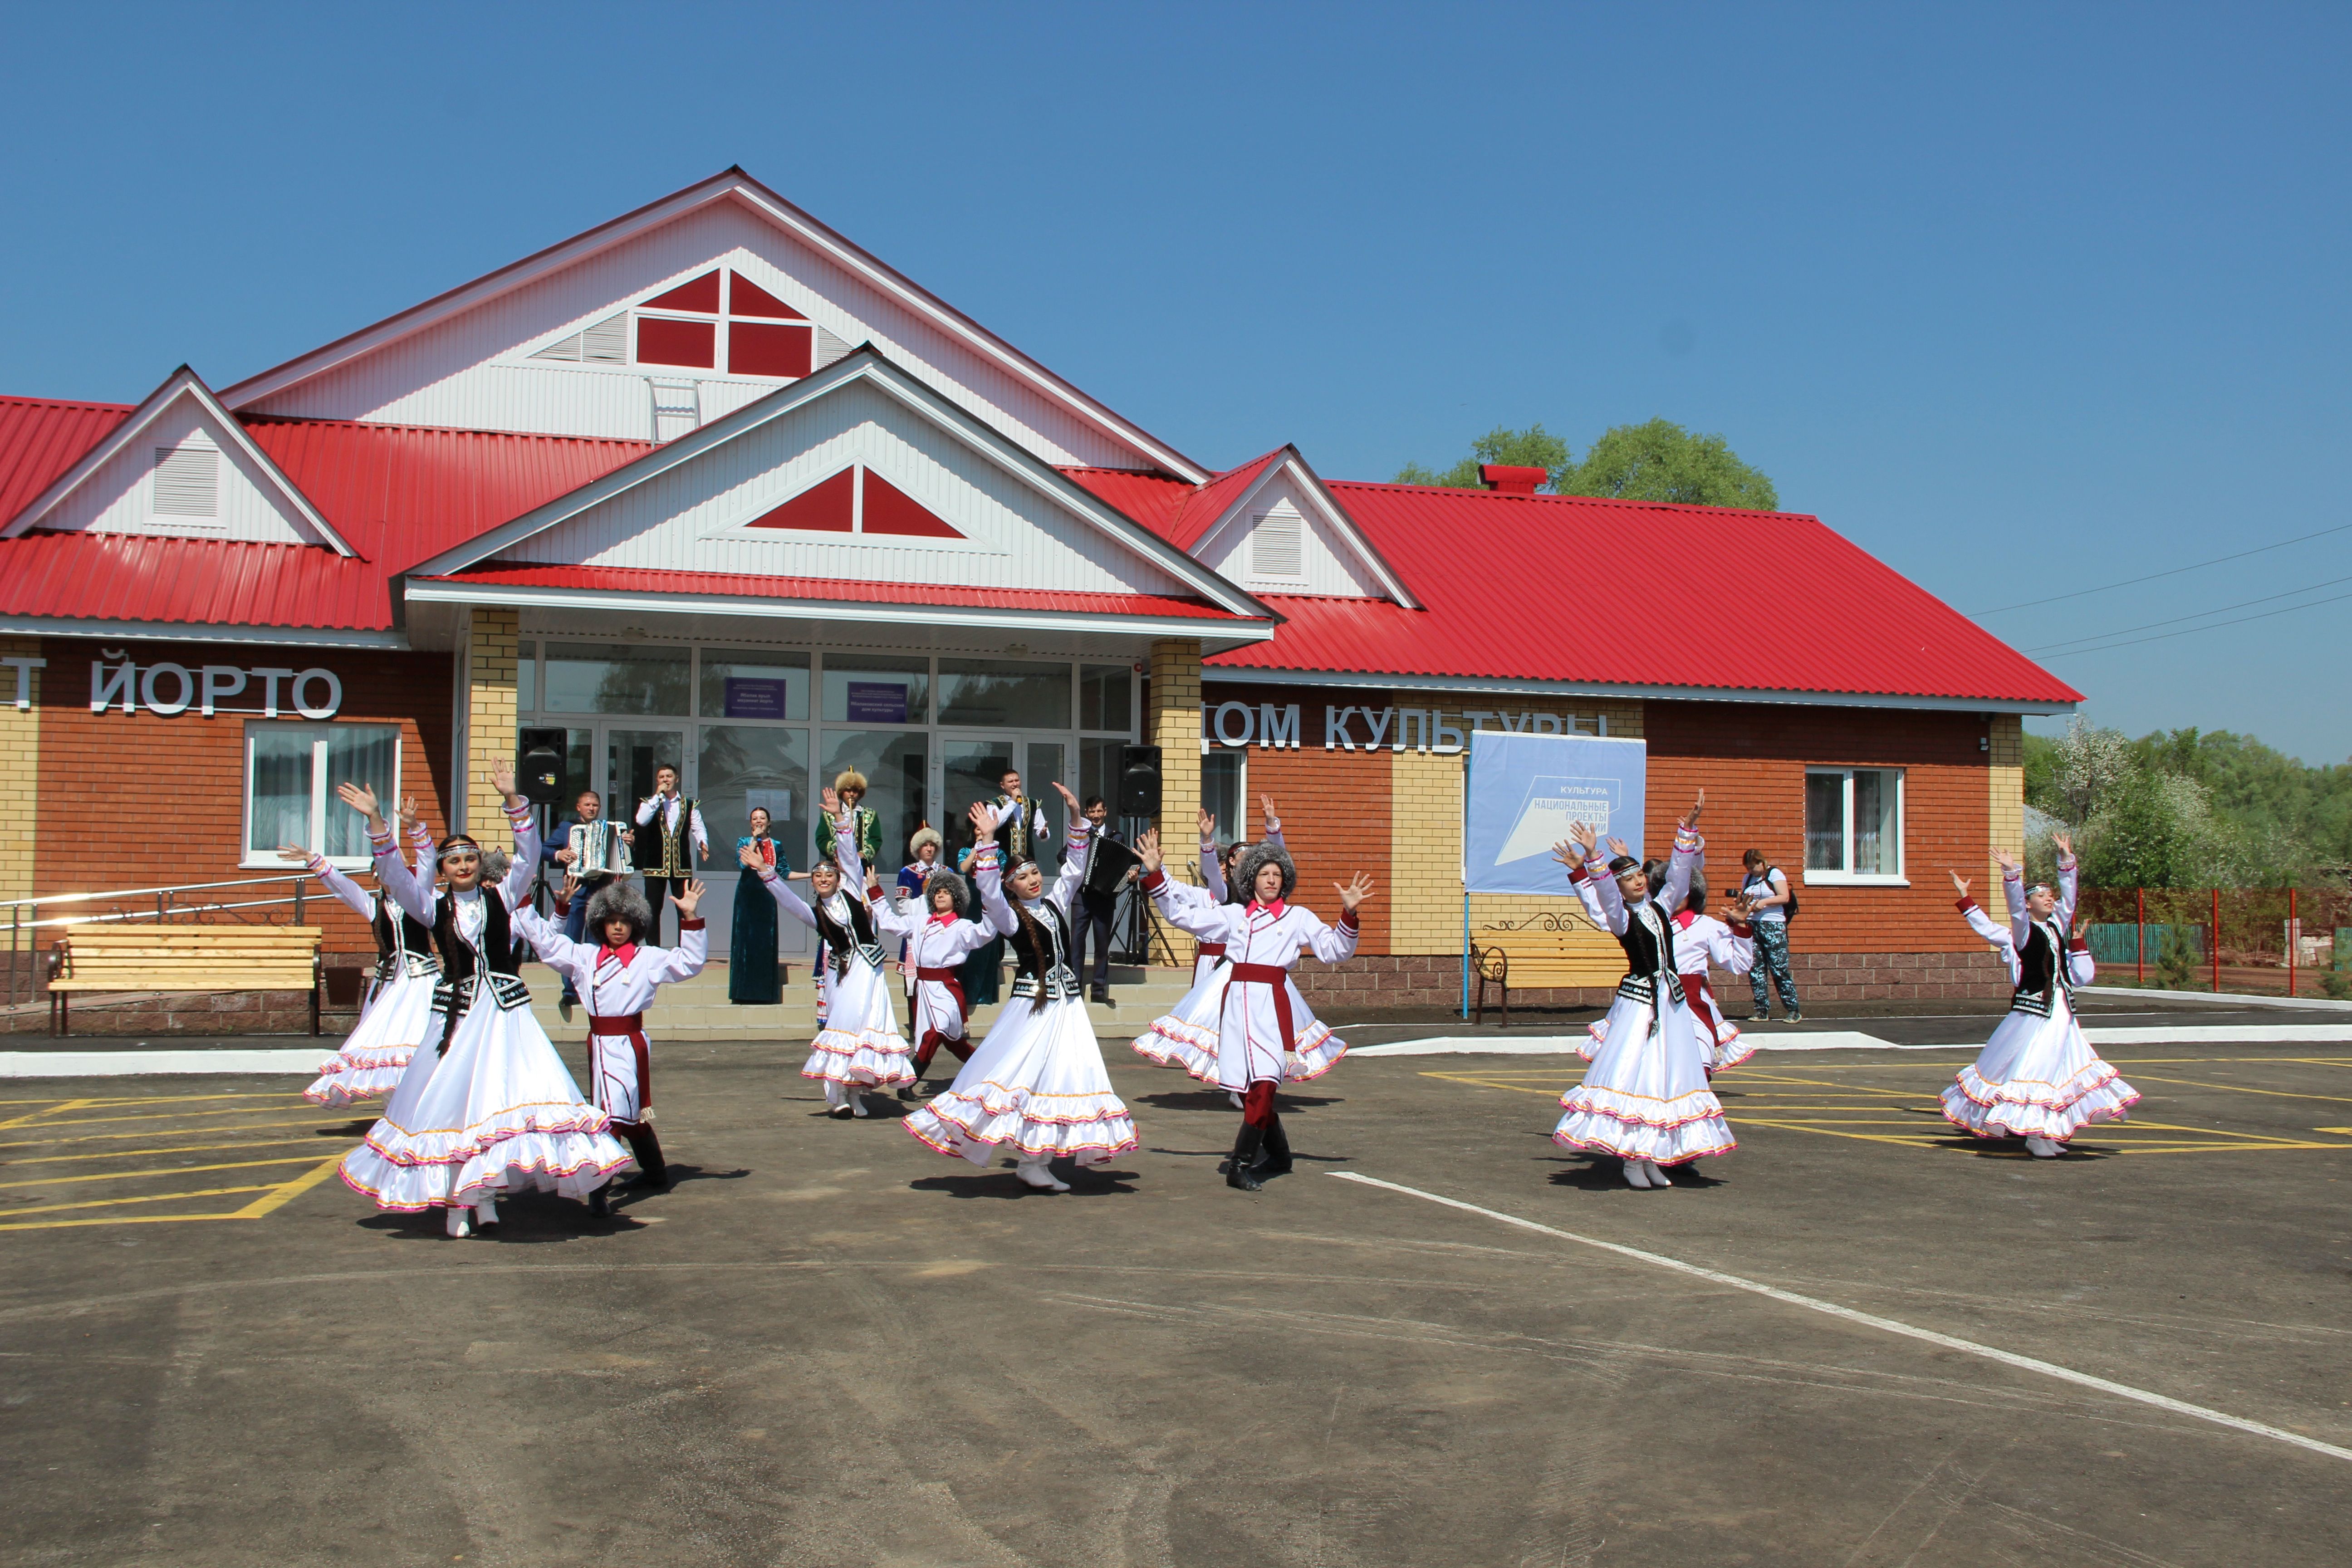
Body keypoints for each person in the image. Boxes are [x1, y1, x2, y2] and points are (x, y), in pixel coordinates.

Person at [339, 764, 632, 1238]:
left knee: (503, 1102)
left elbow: (529, 854)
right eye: (453, 861)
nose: (463, 867)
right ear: (441, 870)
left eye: (470, 859)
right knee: (456, 1106)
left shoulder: (502, 896)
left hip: (504, 1016)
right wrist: (378, 822)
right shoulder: (429, 905)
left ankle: (487, 1196)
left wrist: (515, 800)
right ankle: (459, 1203)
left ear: (478, 864)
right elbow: (394, 874)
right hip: (455, 1016)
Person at [906, 784, 1136, 1191]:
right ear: (1011, 885)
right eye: (1023, 877)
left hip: (1067, 1008)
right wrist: (990, 842)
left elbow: (1074, 872)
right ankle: (1030, 1160)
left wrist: (1076, 819)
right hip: (1034, 1009)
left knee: (1062, 1079)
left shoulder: (1052, 904)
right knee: (1022, 1077)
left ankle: (1036, 1161)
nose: (1032, 880)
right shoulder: (1009, 918)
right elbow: (989, 895)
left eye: (1034, 873)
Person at [1136, 822, 1372, 1193]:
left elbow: (1335, 950)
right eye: (1264, 873)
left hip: (1274, 1007)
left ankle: (1239, 1163)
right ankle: (1279, 1155)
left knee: (1264, 1083)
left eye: (1278, 874)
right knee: (1252, 1089)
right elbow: (1183, 917)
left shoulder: (1298, 918)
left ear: (1286, 880)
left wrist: (1349, 915)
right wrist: (1155, 875)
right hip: (1238, 1004)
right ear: (1251, 879)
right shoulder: (1234, 915)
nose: (1271, 879)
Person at [1549, 795, 1733, 1190]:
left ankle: (1651, 1157)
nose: (1639, 880)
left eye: (1640, 876)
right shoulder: (1622, 918)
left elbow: (1680, 876)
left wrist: (1688, 830)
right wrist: (1593, 857)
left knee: (1666, 1081)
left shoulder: (1661, 908)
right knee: (1638, 1077)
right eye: (1629, 878)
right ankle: (1631, 1159)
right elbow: (1605, 901)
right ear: (1618, 888)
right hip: (1640, 1008)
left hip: (1672, 1007)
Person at [515, 876, 708, 1215]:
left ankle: (599, 1188)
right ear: (600, 924)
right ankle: (655, 1171)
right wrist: (526, 899)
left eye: (625, 922)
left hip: (629, 1044)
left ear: (636, 925)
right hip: (600, 1043)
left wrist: (691, 918)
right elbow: (546, 943)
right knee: (625, 1112)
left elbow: (690, 963)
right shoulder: (584, 957)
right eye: (612, 922)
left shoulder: (648, 958)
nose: (618, 928)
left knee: (613, 1116)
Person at [1941, 839, 2137, 1157]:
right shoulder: (2022, 932)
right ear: (2030, 904)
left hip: (2061, 1008)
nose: (2050, 899)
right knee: (2037, 1068)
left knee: (2060, 1070)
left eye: (2051, 895)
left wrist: (2066, 859)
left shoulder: (2056, 927)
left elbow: (2069, 900)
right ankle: (2033, 1134)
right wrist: (2009, 874)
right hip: (2035, 1011)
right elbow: (2007, 913)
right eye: (2041, 896)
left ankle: (2047, 1132)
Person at [745, 789, 915, 1117]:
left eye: (829, 875)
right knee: (843, 1026)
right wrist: (766, 872)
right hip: (843, 973)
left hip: (872, 971)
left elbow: (851, 855)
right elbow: (787, 899)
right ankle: (836, 1095)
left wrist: (840, 819)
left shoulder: (852, 891)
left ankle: (855, 1095)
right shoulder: (815, 912)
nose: (824, 879)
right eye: (818, 876)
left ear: (839, 879)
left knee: (866, 1029)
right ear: (813, 883)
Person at [290, 798, 440, 1106]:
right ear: (377, 876)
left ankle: (420, 1103)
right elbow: (344, 887)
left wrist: (415, 828)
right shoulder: (374, 906)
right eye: (385, 872)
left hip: (421, 982)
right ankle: (397, 1104)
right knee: (378, 1042)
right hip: (387, 986)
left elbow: (428, 862)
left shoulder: (419, 899)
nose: (391, 876)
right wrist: (313, 860)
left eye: (398, 871)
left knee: (418, 1041)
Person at [1133, 802, 1288, 1085]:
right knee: (1216, 1023)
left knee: (1260, 1031)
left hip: (1262, 974)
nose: (1252, 860)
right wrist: (1205, 842)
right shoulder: (1225, 894)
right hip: (1224, 968)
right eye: (1243, 855)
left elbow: (1281, 863)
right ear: (1230, 862)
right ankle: (1230, 1078)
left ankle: (1252, 1078)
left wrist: (1272, 826)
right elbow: (1195, 888)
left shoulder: (1271, 896)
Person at [875, 804, 1003, 1097]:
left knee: (937, 1033)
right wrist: (875, 892)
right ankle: (990, 1074)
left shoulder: (961, 926)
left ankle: (907, 1079)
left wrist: (990, 903)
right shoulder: (920, 921)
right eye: (937, 892)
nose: (941, 895)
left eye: (947, 892)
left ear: (956, 898)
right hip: (923, 988)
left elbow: (986, 932)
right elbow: (891, 922)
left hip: (946, 987)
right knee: (951, 1042)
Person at [545, 789, 631, 1019]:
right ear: (579, 807)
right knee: (571, 939)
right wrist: (559, 855)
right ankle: (569, 992)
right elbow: (545, 849)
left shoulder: (609, 828)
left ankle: (594, 985)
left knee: (595, 941)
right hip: (576, 887)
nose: (592, 809)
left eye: (595, 805)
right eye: (587, 805)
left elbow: (622, 858)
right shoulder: (567, 828)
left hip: (599, 890)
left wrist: (627, 843)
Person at [1671, 875, 1761, 1074]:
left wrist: (1741, 926)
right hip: (1651, 1001)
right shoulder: (1648, 921)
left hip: (1691, 1001)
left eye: (1682, 892)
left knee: (1697, 1061)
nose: (1675, 896)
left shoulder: (1706, 925)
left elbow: (1739, 964)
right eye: (1669, 889)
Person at [632, 765, 707, 945]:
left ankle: (686, 947)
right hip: (655, 864)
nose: (666, 780)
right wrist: (657, 797)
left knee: (684, 909)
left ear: (677, 779)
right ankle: (653, 949)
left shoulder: (689, 804)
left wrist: (703, 843)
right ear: (657, 781)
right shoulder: (649, 803)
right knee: (652, 908)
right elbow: (641, 821)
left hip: (681, 864)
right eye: (661, 777)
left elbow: (698, 827)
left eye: (669, 776)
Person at [1073, 794, 1137, 1004]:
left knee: (1102, 945)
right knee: (1076, 943)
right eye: (1092, 812)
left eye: (1099, 811)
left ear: (1105, 812)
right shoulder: (1080, 834)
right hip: (1081, 897)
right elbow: (1063, 856)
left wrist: (1128, 880)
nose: (1096, 816)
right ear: (1086, 813)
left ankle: (1099, 990)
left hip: (1104, 898)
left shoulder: (1116, 837)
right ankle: (1074, 985)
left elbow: (1127, 865)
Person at [729, 806, 785, 1005]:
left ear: (769, 823)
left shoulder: (776, 845)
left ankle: (765, 993)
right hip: (747, 895)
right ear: (751, 823)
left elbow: (784, 872)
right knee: (744, 942)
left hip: (768, 896)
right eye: (755, 819)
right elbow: (742, 864)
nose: (759, 821)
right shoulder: (744, 842)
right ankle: (742, 992)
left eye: (762, 818)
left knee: (765, 942)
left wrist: (812, 876)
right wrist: (755, 840)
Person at [1738, 848, 1801, 1023]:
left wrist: (1764, 902)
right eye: (1748, 869)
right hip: (1754, 924)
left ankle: (1793, 1009)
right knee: (1756, 969)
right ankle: (1761, 1009)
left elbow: (1784, 897)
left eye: (1753, 868)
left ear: (1761, 863)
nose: (1750, 872)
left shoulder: (1774, 874)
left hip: (1773, 925)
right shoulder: (1749, 879)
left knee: (1779, 969)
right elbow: (1745, 898)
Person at [953, 822, 1005, 1009]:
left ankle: (985, 994)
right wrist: (976, 851)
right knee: (971, 945)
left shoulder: (997, 852)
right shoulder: (966, 851)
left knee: (988, 944)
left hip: (988, 900)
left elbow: (1003, 873)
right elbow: (963, 869)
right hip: (971, 902)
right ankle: (968, 992)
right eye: (977, 829)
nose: (981, 832)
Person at [988, 764, 1054, 868]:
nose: (1015, 784)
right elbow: (994, 825)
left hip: (1026, 860)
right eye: (1010, 782)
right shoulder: (995, 804)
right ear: (1002, 785)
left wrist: (1043, 834)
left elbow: (1042, 832)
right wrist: (1013, 802)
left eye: (1017, 781)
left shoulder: (1033, 804)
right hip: (1002, 860)